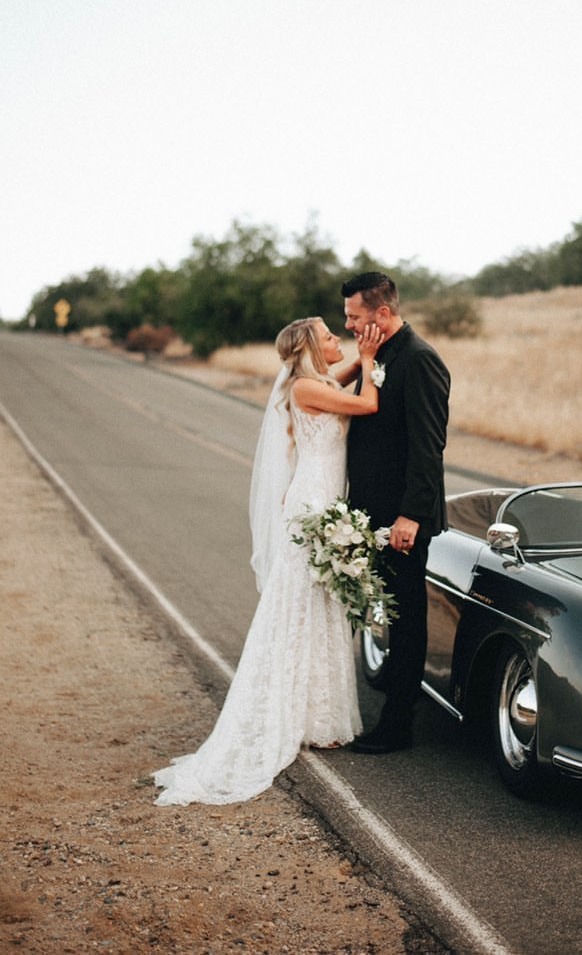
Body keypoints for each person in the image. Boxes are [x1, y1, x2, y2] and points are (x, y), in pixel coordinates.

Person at [153, 315, 382, 806]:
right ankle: (293, 714)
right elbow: (367, 403)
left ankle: (317, 718)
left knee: (320, 606)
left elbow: (339, 383)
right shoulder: (306, 389)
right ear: (310, 348)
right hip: (313, 506)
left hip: (319, 499)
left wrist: (358, 360)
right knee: (300, 604)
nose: (337, 340)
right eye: (329, 337)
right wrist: (367, 359)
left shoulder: (315, 381)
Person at [341, 272, 451, 754]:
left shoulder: (421, 360)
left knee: (405, 617)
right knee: (382, 608)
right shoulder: (378, 356)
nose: (348, 325)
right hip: (369, 510)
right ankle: (390, 690)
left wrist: (410, 515)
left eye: (354, 316)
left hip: (400, 518)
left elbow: (428, 447)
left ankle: (398, 724)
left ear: (382, 313)